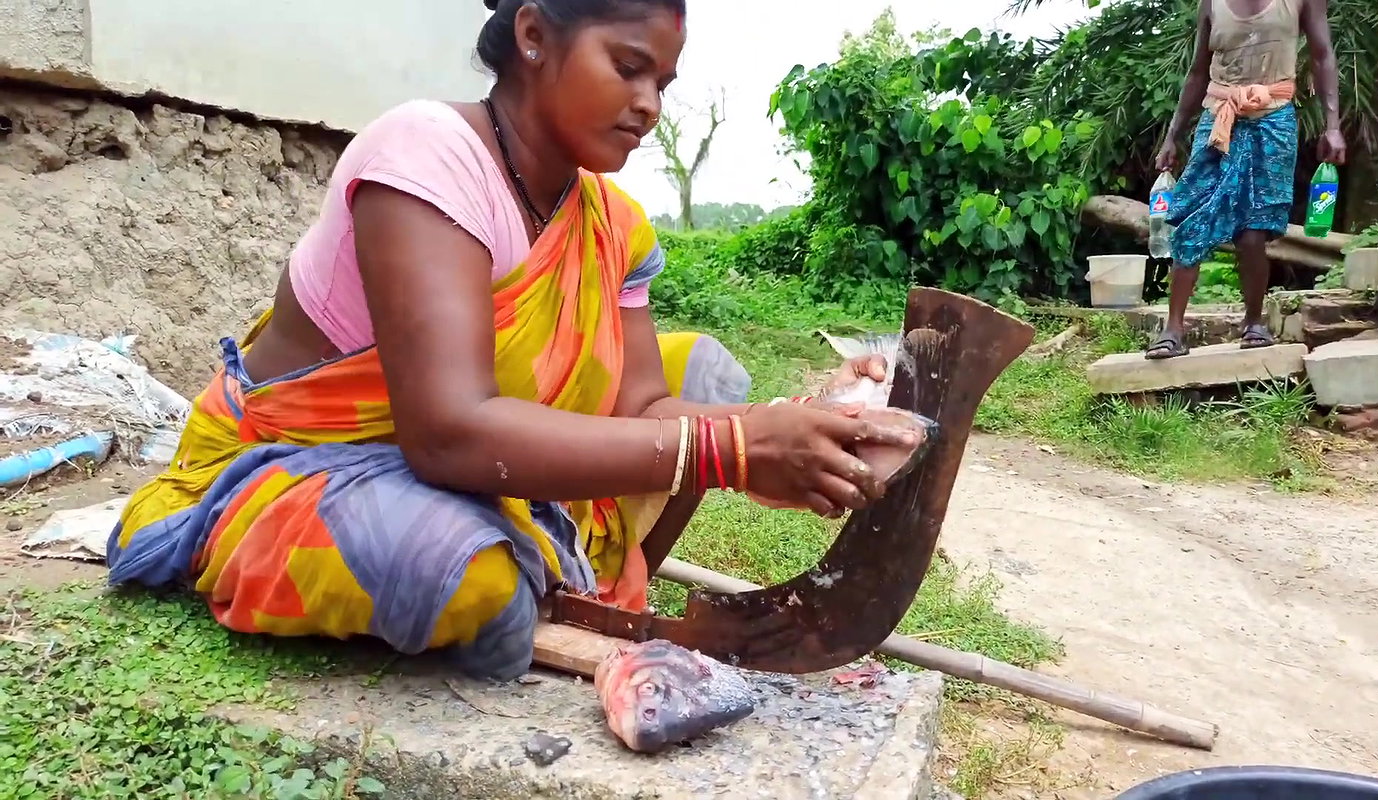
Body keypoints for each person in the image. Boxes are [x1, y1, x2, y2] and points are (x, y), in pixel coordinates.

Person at [106, 0, 916, 681]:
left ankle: (576, 585)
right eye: (627, 67)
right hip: (304, 463)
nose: (649, 106)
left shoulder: (612, 222)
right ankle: (524, 583)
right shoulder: (427, 158)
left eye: (663, 84)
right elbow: (448, 433)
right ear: (533, 35)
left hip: (475, 453)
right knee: (464, 574)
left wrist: (795, 427)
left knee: (705, 374)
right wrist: (732, 449)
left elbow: (640, 407)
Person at [1144, 0, 1346, 360]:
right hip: (1219, 119)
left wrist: (1333, 126)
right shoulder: (1212, 4)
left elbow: (1322, 56)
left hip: (1274, 121)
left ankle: (1254, 324)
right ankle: (1173, 330)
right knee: (1191, 222)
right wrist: (1172, 136)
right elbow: (1197, 72)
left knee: (1253, 232)